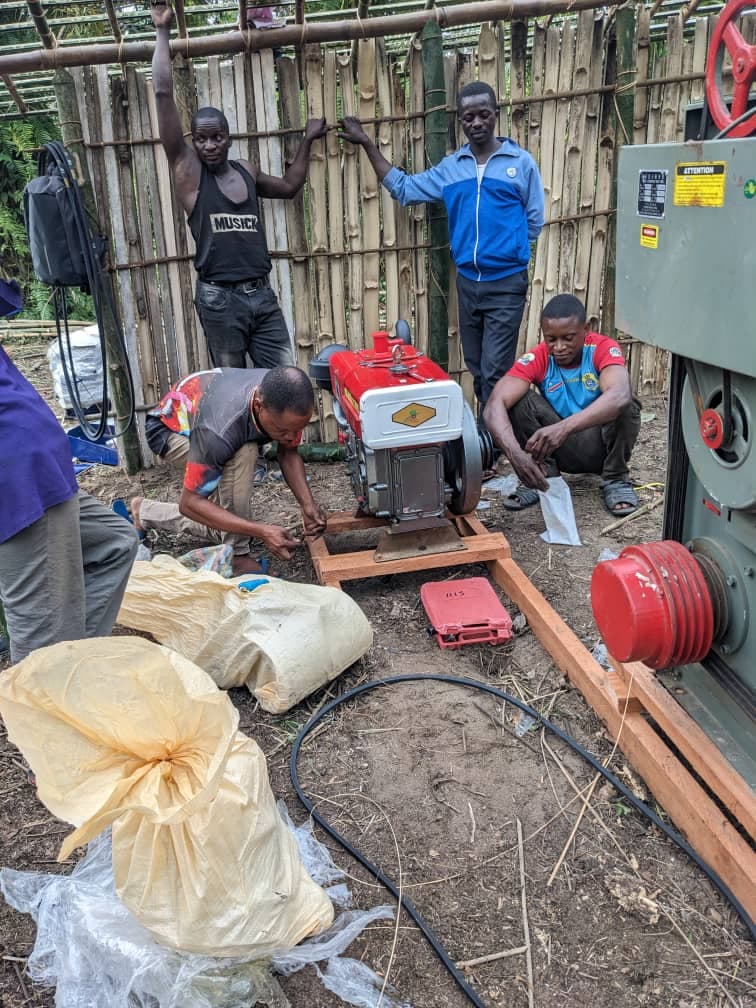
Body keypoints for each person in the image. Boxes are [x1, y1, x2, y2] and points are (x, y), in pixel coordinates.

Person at [339, 81, 544, 411]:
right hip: (468, 284)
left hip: (506, 284)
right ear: (459, 121)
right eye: (468, 117)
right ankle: (494, 439)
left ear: (496, 115)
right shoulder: (452, 168)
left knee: (494, 372)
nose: (476, 123)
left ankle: (495, 443)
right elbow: (404, 188)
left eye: (483, 115)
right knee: (478, 368)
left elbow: (533, 221)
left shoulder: (519, 164)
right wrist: (366, 142)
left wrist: (508, 251)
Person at [150, 0, 327, 369]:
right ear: (193, 141)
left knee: (282, 382)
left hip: (262, 296)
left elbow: (290, 186)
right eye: (201, 139)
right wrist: (163, 31)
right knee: (233, 389)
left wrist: (308, 140)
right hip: (219, 300)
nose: (209, 146)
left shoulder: (246, 171)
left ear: (228, 138)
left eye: (217, 138)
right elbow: (163, 95)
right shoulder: (189, 174)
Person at [0, 344, 138, 665]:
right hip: (19, 468)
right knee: (43, 647)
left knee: (114, 544)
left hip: (31, 462)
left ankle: (70, 665)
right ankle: (54, 684)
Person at [132, 365, 327, 575]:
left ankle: (144, 511)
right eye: (283, 431)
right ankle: (236, 557)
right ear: (259, 406)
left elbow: (288, 453)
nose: (291, 437)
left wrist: (308, 505)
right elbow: (189, 504)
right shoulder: (218, 433)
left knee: (224, 523)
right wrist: (260, 531)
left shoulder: (283, 399)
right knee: (244, 451)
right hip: (170, 430)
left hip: (212, 418)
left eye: (297, 430)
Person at [483, 294, 642, 516]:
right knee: (519, 401)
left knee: (627, 403)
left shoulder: (601, 348)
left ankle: (615, 478)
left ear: (586, 329)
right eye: (551, 339)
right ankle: (542, 477)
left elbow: (620, 395)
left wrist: (564, 427)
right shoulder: (538, 357)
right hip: (557, 449)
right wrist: (516, 455)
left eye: (568, 338)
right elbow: (493, 405)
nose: (559, 347)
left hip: (601, 447)